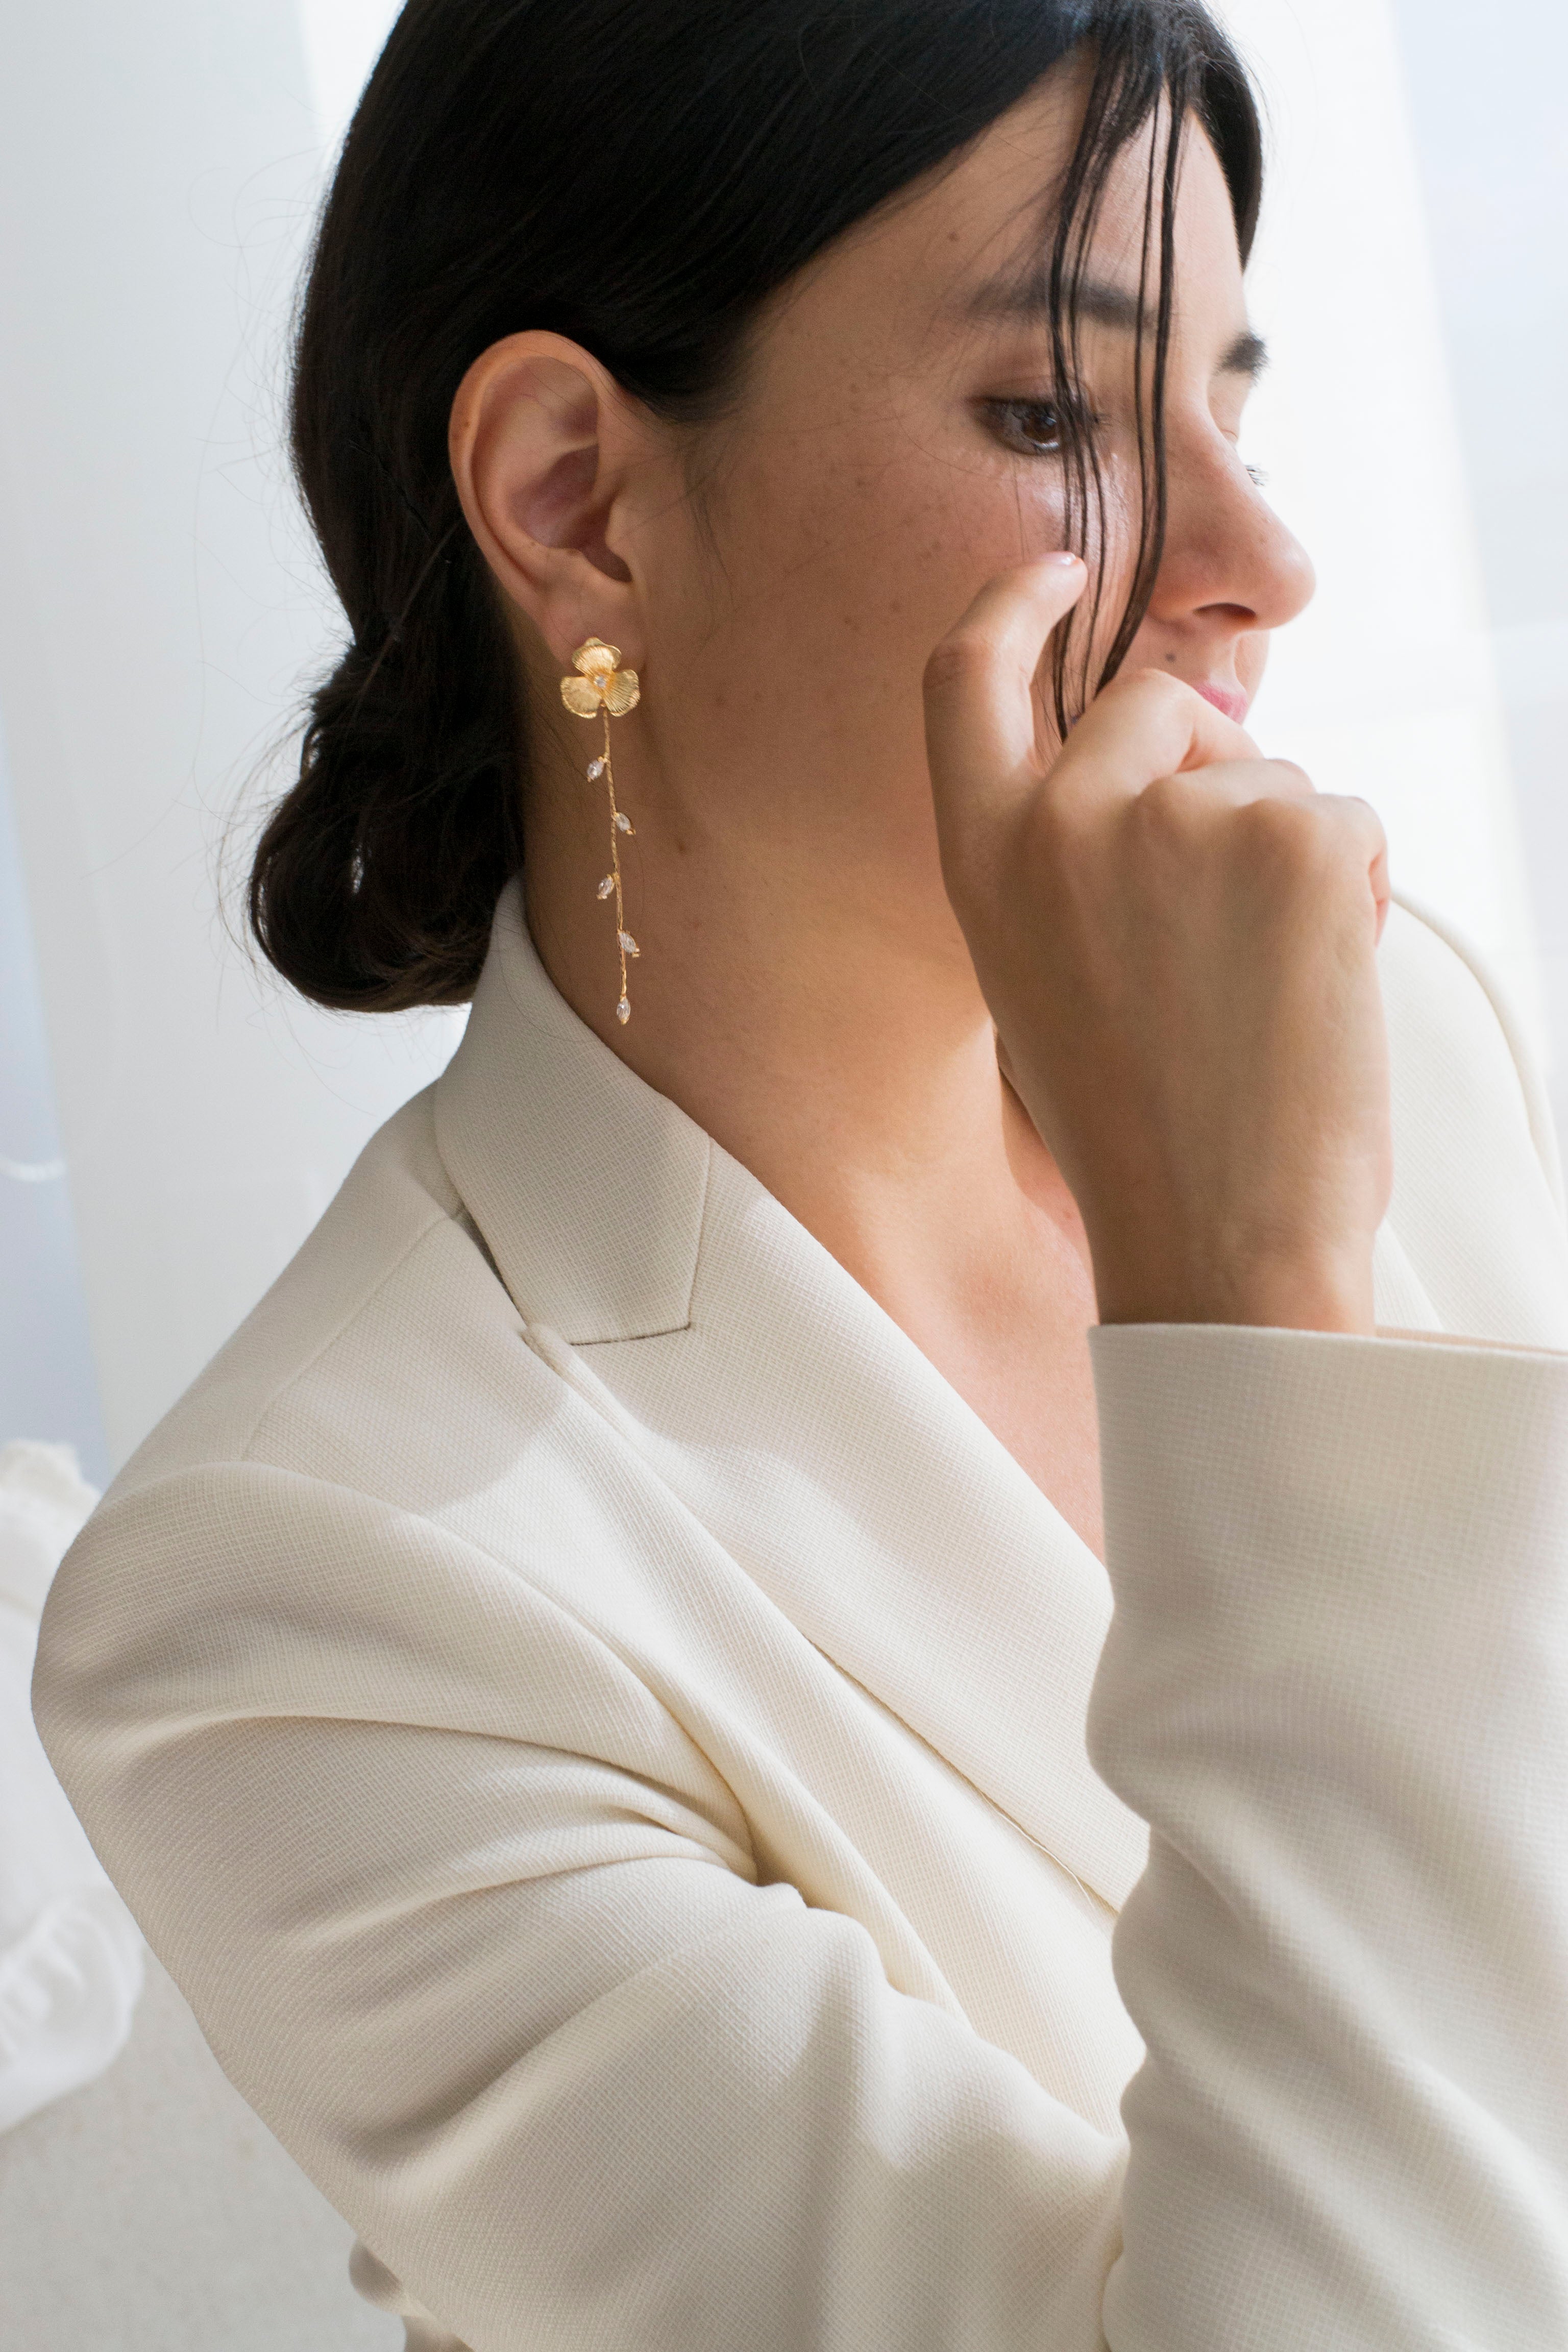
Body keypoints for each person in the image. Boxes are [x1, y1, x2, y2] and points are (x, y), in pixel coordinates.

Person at [32, 0, 1568, 2344]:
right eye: (1059, 412)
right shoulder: (300, 1611)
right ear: (577, 497)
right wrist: (1243, 1311)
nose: (1266, 555)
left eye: (1231, 395)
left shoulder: (1409, 1042)